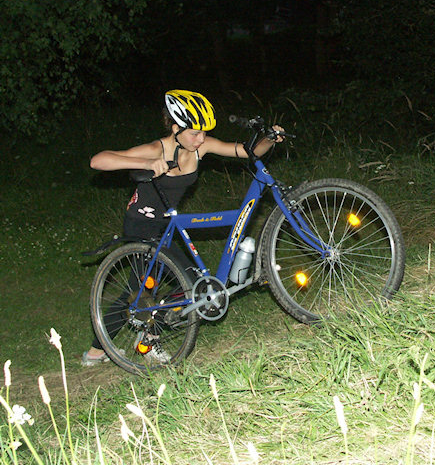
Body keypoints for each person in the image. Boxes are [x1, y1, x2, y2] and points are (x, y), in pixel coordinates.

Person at [82, 89, 284, 366]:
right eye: (195, 133)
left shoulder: (201, 147)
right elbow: (98, 160)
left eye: (204, 133)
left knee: (184, 284)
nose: (201, 138)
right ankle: (103, 349)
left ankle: (139, 335)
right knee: (142, 290)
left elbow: (246, 152)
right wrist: (146, 163)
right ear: (176, 128)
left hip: (167, 224)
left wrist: (269, 139)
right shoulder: (157, 149)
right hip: (141, 224)